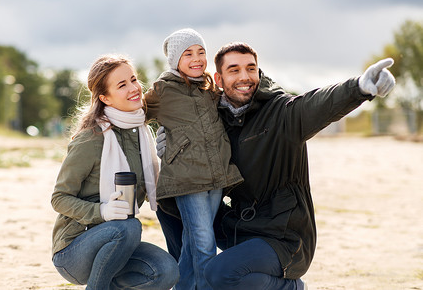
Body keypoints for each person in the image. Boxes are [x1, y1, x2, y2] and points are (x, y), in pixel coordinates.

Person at [156, 42, 395, 290]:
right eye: (234, 70)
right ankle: (186, 280)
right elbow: (185, 129)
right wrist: (174, 145)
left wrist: (358, 88)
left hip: (283, 237)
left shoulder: (281, 112)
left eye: (251, 68)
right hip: (240, 226)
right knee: (170, 205)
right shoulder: (216, 121)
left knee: (220, 273)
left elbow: (315, 105)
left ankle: (291, 287)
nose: (245, 77)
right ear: (219, 78)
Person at [51, 54, 179, 290]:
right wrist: (102, 211)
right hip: (74, 249)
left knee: (167, 271)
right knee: (129, 226)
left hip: (117, 246)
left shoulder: (140, 132)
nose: (133, 88)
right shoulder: (92, 138)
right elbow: (59, 198)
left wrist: (168, 152)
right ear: (105, 98)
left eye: (133, 79)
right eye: (122, 85)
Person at [143, 29, 244, 290]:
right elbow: (133, 111)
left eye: (201, 52)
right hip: (187, 180)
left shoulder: (209, 88)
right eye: (188, 54)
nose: (196, 58)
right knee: (203, 243)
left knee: (193, 242)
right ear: (175, 60)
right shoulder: (163, 91)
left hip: (215, 175)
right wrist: (159, 138)